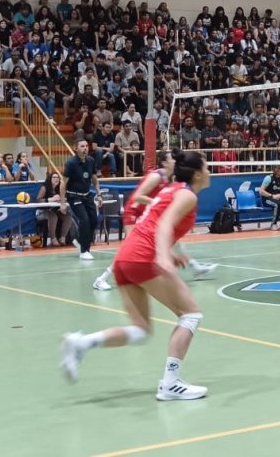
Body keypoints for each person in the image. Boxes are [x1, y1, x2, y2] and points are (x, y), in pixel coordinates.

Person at [60, 151, 212, 401]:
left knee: (141, 329)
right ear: (197, 173)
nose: (209, 171)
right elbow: (163, 225)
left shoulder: (173, 189)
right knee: (191, 314)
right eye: (206, 166)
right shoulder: (186, 195)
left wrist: (167, 253)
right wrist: (163, 255)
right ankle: (171, 384)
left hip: (126, 256)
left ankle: (81, 343)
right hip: (143, 257)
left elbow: (155, 222)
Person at [93, 152, 217, 291]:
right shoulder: (156, 176)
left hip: (149, 213)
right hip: (134, 212)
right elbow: (137, 196)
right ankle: (102, 278)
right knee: (130, 247)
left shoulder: (174, 178)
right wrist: (157, 203)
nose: (175, 161)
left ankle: (195, 266)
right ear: (164, 163)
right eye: (171, 159)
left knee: (174, 241)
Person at [62, 139, 101, 261]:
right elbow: (63, 184)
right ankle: (84, 251)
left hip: (87, 195)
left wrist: (99, 194)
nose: (85, 148)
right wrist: (63, 202)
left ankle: (79, 240)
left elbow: (94, 179)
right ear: (76, 148)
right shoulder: (71, 163)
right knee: (84, 220)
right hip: (74, 196)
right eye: (82, 146)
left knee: (94, 221)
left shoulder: (90, 161)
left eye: (86, 146)